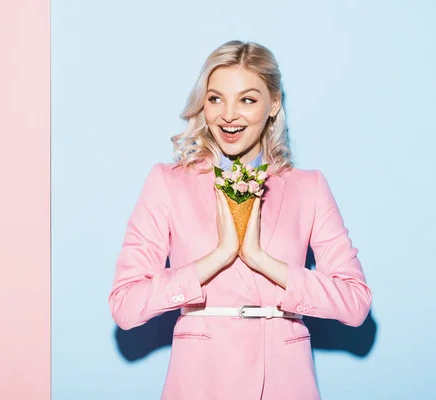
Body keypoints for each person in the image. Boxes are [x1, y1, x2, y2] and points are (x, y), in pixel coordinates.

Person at [108, 40, 372, 400]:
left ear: (273, 104)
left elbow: (355, 304)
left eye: (247, 99)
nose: (228, 115)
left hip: (284, 380)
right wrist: (218, 256)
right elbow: (125, 305)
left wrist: (262, 260)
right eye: (216, 98)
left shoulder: (309, 188)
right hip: (201, 380)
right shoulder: (167, 183)